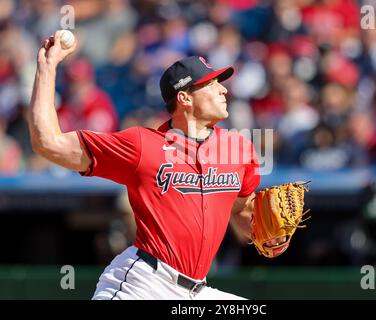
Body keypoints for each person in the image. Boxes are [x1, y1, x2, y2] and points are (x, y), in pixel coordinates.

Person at [29, 31, 285, 300]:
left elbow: (241, 210)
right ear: (185, 98)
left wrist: (269, 233)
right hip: (143, 285)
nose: (223, 89)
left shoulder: (239, 149)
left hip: (198, 290)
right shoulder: (143, 145)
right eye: (211, 84)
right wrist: (47, 68)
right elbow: (48, 143)